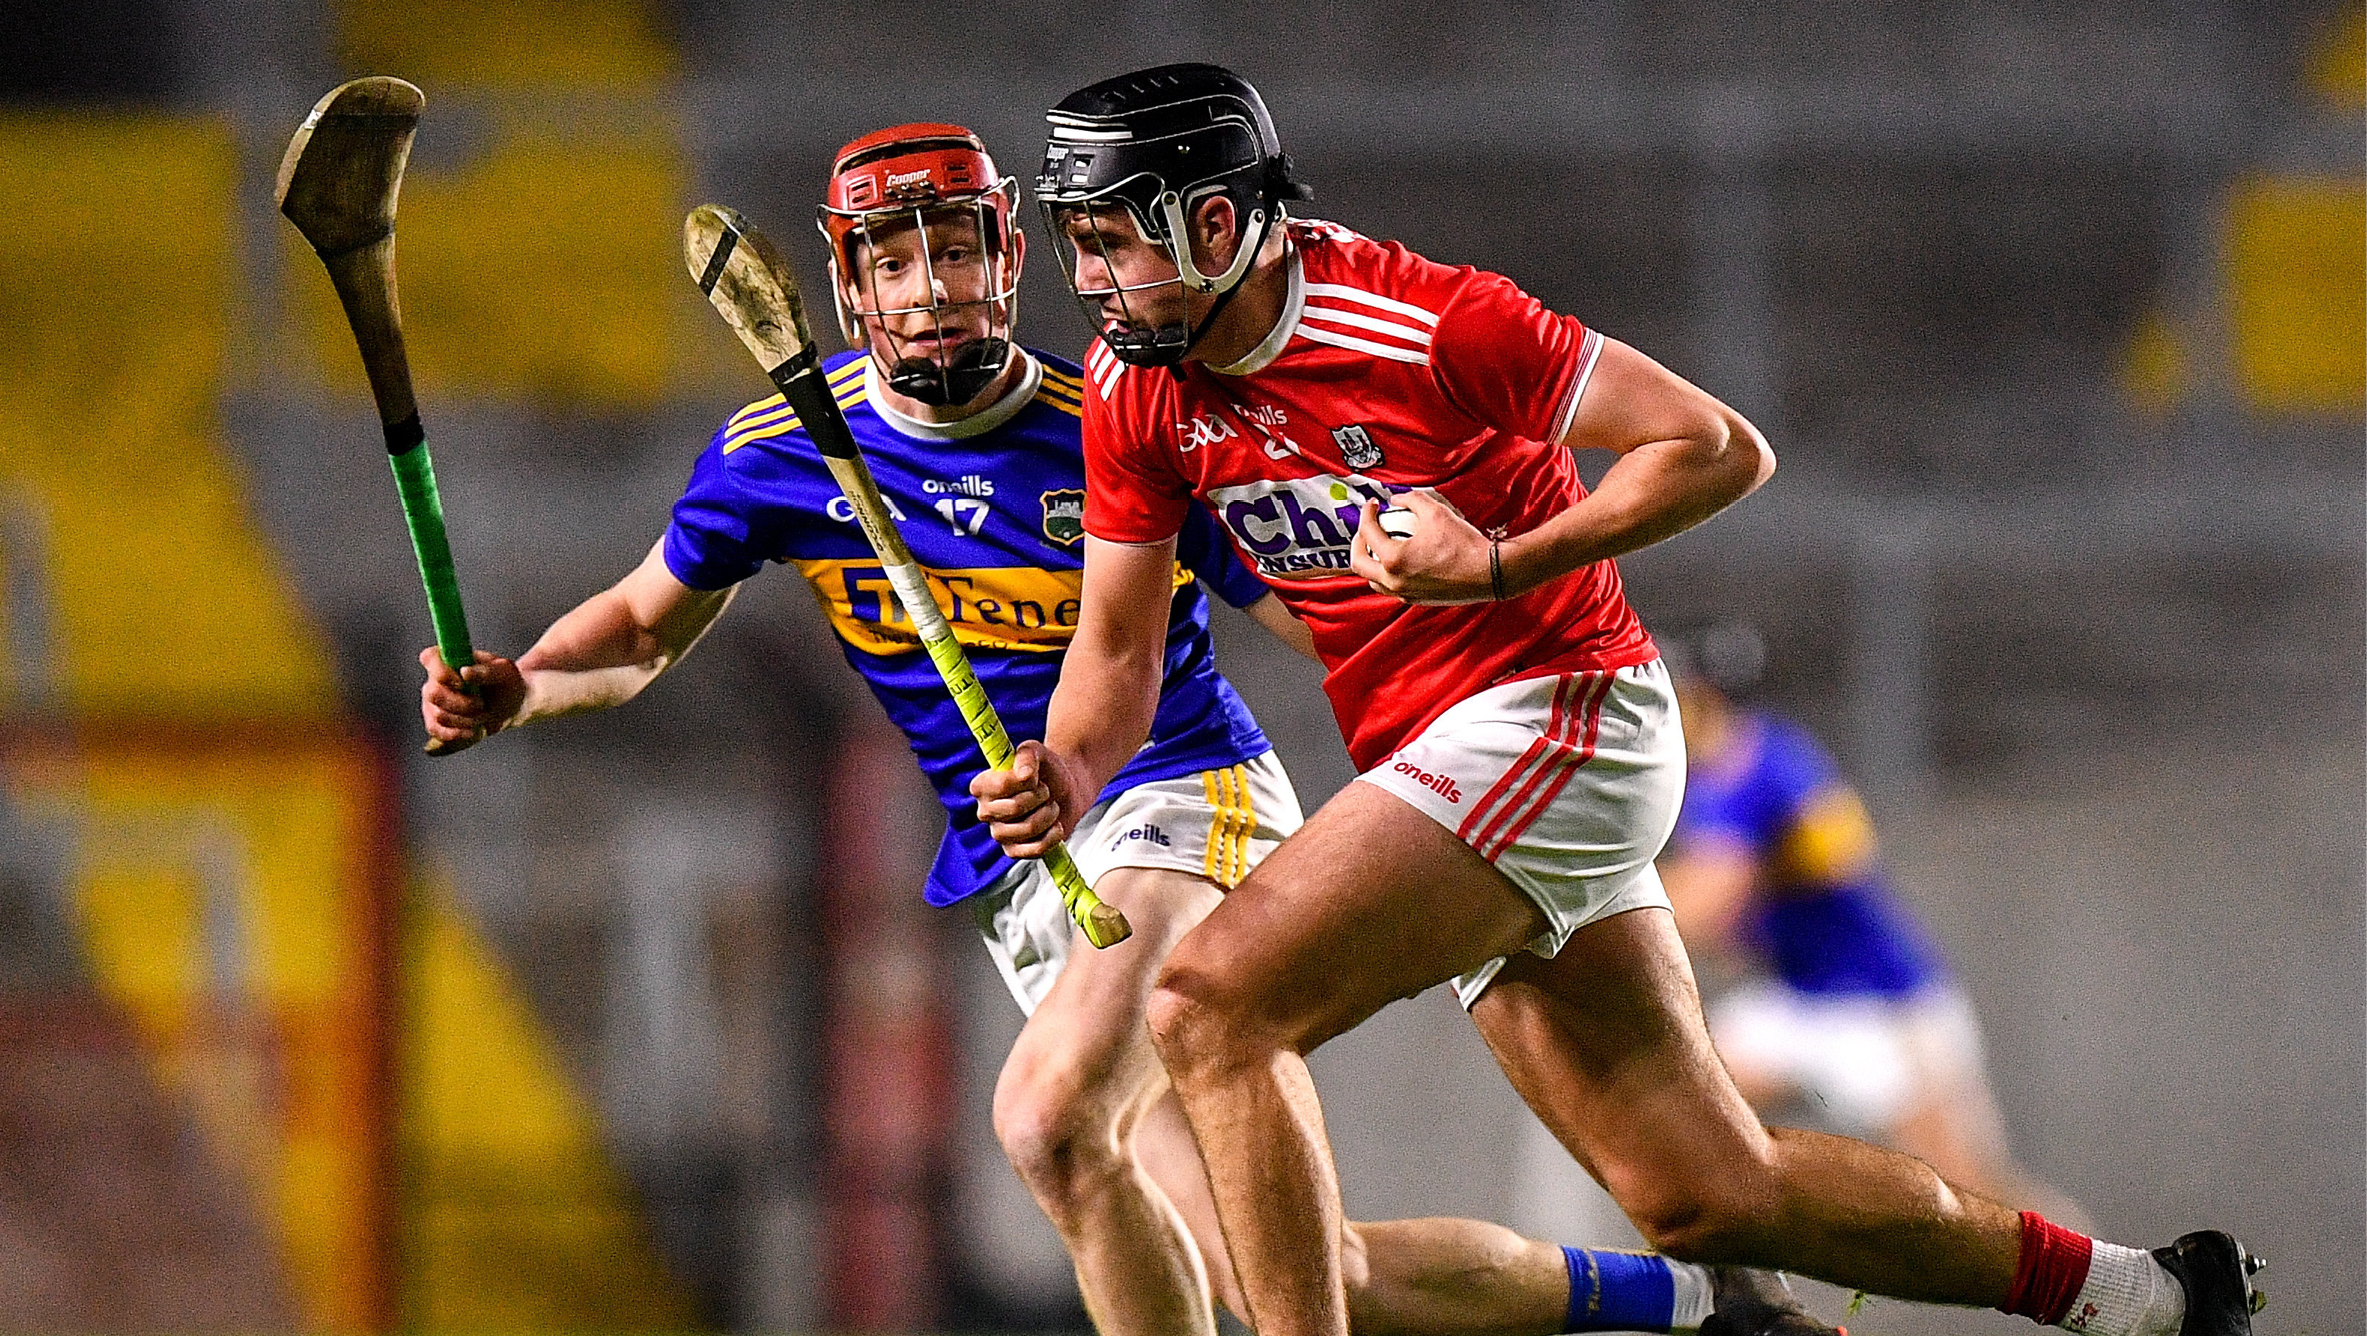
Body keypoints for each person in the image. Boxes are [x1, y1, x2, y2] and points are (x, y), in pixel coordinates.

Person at [418, 123, 1825, 1336]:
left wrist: (1477, 614)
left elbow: (1301, 607)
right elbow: (638, 628)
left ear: (1008, 258)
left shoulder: (1111, 417)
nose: (932, 286)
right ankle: (1692, 1307)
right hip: (1025, 866)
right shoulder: (776, 454)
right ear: (845, 281)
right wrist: (526, 682)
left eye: (957, 248)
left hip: (1176, 803)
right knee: (1287, 1267)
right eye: (895, 259)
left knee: (1043, 1121)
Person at [974, 63, 2265, 1336]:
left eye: (1110, 242)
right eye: (1074, 245)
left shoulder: (1421, 320)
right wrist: (1072, 766)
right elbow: (1117, 647)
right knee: (1707, 1193)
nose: (1087, 279)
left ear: (1212, 222)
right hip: (1439, 762)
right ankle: (2140, 1293)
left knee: (1207, 1005)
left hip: (1554, 708)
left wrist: (1491, 562)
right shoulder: (1136, 388)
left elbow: (1711, 445)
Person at [1656, 626, 2087, 1225]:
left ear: (1703, 696)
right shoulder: (1741, 761)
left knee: (1981, 1202)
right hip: (1805, 1000)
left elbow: (1705, 900)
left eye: (1667, 692)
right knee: (1683, 1095)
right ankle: (1737, 1271)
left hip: (1885, 1011)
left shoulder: (1751, 772)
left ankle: (2112, 1282)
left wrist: (1583, 913)